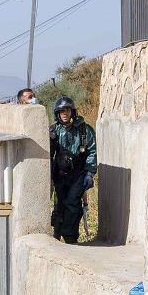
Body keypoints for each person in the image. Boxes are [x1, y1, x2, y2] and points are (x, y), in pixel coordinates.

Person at [49, 96, 96, 244]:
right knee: (60, 204)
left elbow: (92, 151)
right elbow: (48, 154)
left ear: (72, 112)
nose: (64, 113)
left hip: (78, 174)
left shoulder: (84, 130)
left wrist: (89, 173)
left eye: (67, 110)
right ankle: (57, 233)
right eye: (61, 111)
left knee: (73, 203)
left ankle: (70, 237)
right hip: (60, 175)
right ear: (57, 114)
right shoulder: (53, 130)